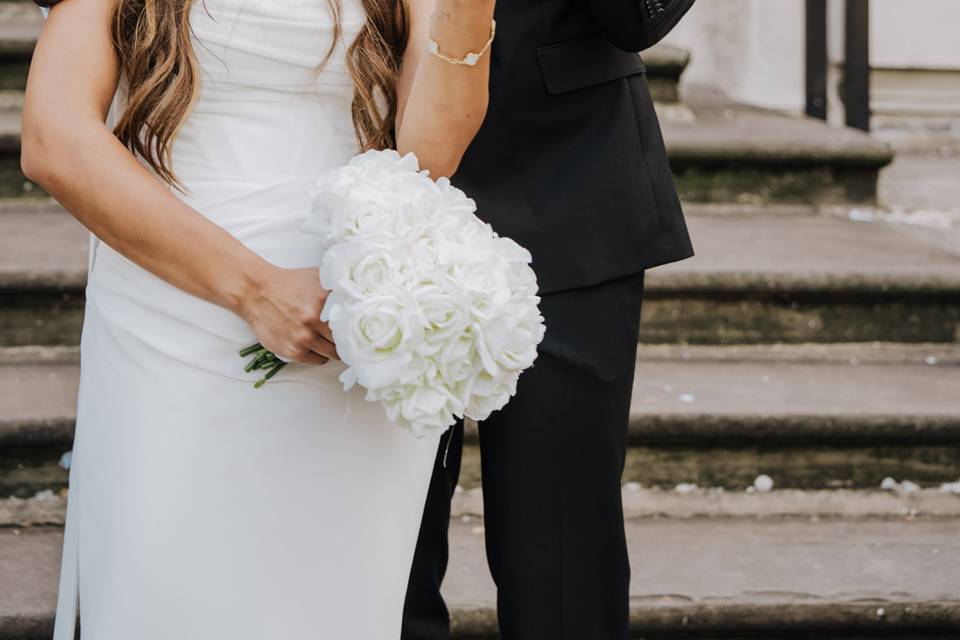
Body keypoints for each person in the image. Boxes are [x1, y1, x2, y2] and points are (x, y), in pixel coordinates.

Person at [22, 0, 496, 637]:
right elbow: (53, 138)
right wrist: (253, 289)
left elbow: (428, 155)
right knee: (170, 593)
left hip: (347, 318)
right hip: (174, 311)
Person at [401, 1, 696, 639]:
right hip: (359, 166)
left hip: (566, 174)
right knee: (386, 555)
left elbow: (635, 19)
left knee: (562, 554)